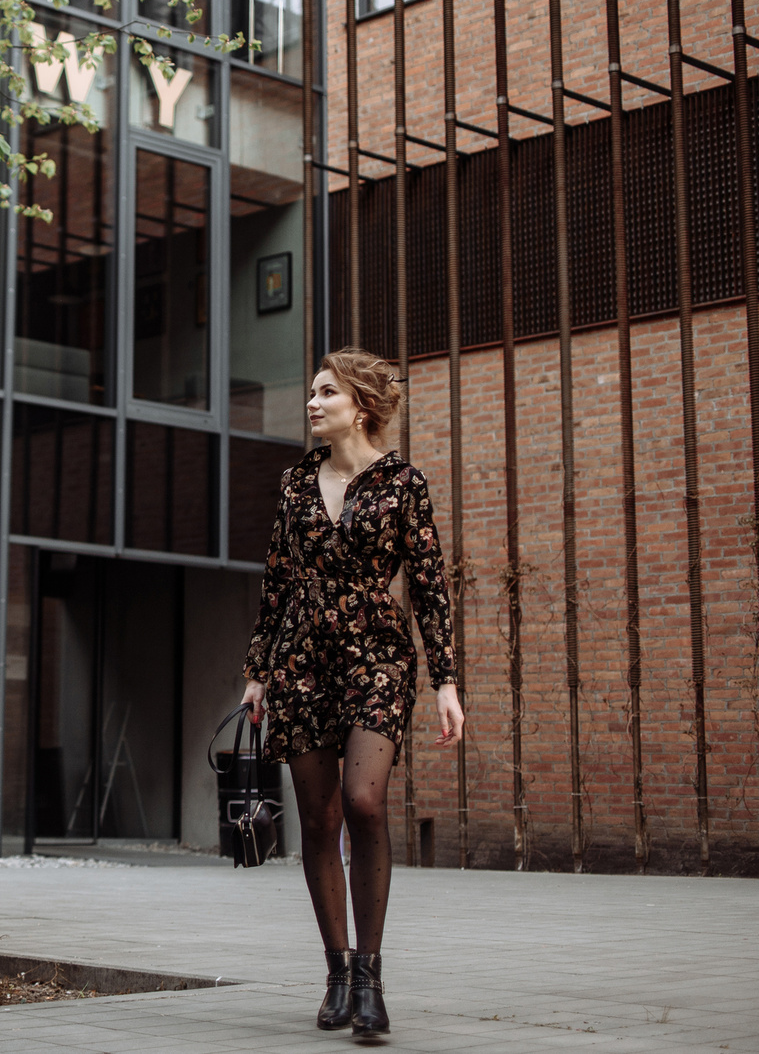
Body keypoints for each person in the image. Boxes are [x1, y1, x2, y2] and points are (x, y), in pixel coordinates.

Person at [241, 347, 465, 1037]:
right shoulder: (295, 484)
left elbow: (429, 582)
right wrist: (257, 671)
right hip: (302, 659)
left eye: (326, 393)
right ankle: (338, 974)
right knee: (319, 821)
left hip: (377, 656)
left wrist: (447, 681)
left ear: (361, 406)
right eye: (312, 392)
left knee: (364, 803)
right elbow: (277, 579)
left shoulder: (404, 484)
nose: (312, 403)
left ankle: (370, 976)